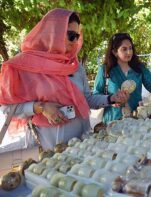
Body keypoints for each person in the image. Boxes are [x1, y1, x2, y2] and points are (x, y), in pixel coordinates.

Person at [0, 8, 129, 150]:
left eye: (77, 36)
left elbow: (86, 99)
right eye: (71, 35)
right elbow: (8, 108)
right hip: (47, 145)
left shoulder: (74, 65)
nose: (75, 41)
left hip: (80, 143)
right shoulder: (25, 66)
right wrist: (39, 107)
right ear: (53, 32)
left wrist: (111, 98)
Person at [93, 33, 151, 124]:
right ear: (114, 52)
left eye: (130, 48)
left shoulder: (139, 68)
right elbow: (96, 96)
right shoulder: (105, 70)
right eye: (124, 49)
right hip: (112, 121)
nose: (129, 52)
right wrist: (111, 99)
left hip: (136, 119)